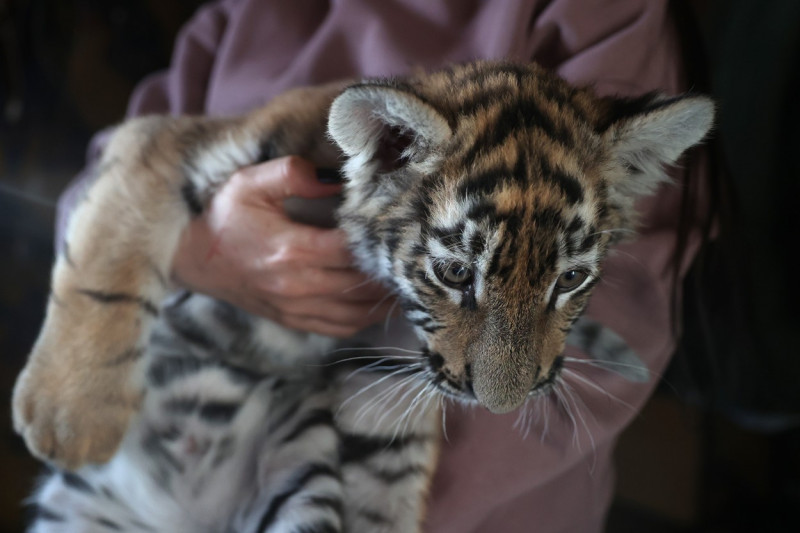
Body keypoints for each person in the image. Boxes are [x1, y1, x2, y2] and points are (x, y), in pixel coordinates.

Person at [56, 1, 707, 531]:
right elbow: (99, 182)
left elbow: (628, 324)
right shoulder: (247, 13)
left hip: (472, 508)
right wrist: (195, 250)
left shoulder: (611, 17)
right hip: (163, 460)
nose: (504, 386)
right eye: (455, 277)